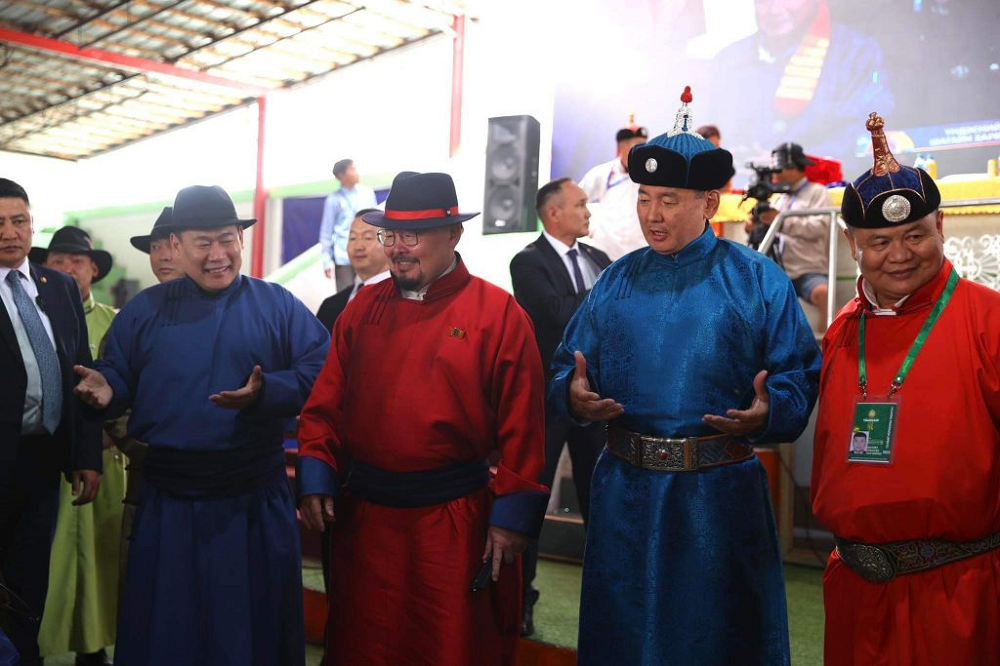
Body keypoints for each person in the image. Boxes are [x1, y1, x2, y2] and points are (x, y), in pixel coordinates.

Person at [548, 88, 821, 665]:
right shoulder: (617, 279)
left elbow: (797, 372)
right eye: (645, 198)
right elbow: (566, 363)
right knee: (624, 639)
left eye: (669, 200)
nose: (652, 214)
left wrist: (771, 409)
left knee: (715, 640)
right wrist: (572, 394)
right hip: (625, 494)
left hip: (717, 498)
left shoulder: (757, 279)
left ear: (709, 203)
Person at [297, 172, 548, 666]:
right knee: (361, 646)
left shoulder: (498, 314)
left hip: (452, 525)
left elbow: (524, 426)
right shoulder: (361, 309)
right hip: (365, 523)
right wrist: (316, 475)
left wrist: (511, 519)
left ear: (453, 234)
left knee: (446, 647)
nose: (397, 248)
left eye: (411, 235)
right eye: (390, 234)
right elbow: (325, 405)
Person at [73, 184, 330, 666]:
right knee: (170, 632)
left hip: (253, 500)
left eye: (227, 240)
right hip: (169, 501)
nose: (218, 255)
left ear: (241, 239)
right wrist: (106, 389)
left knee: (252, 632)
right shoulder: (144, 311)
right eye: (203, 242)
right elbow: (118, 372)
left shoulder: (277, 305)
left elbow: (323, 371)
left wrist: (266, 392)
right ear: (175, 245)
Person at [811, 112, 1000, 666]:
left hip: (959, 595)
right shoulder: (843, 328)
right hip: (855, 593)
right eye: (880, 241)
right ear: (852, 244)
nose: (899, 254)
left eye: (915, 235)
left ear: (940, 226)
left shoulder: (988, 321)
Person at [0, 178, 102, 666]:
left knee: (29, 580)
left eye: (18, 221)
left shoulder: (58, 287)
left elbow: (83, 373)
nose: (9, 232)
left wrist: (86, 455)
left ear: (31, 224)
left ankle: (24, 657)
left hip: (43, 462)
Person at [509, 178, 611, 636]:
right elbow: (555, 313)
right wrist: (606, 293)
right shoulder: (528, 261)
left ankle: (609, 601)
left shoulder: (599, 259)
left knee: (601, 505)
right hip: (546, 401)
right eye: (581, 204)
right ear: (553, 213)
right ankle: (520, 600)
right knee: (532, 500)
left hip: (596, 402)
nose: (588, 212)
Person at [30, 227, 123, 666]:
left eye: (77, 262)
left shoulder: (116, 321)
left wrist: (112, 434)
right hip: (46, 464)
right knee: (44, 560)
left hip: (105, 461)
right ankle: (34, 643)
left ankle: (94, 647)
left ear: (93, 270)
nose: (67, 269)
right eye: (58, 262)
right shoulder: (31, 316)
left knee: (102, 560)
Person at [707, 0, 894, 169]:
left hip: (822, 183)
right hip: (743, 182)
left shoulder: (854, 53)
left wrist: (790, 161)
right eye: (764, 1)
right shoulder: (729, 60)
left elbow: (864, 135)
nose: (774, 10)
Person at [751, 142, 833, 324]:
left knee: (824, 294)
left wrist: (781, 221)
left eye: (778, 170)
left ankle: (826, 340)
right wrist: (754, 227)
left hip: (808, 270)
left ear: (794, 168)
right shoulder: (778, 198)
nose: (774, 175)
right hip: (777, 270)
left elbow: (820, 228)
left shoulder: (818, 192)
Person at [578, 116, 648, 260]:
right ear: (623, 146)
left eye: (644, 146)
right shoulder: (602, 173)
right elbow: (575, 200)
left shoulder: (650, 176)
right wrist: (592, 227)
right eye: (638, 146)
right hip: (606, 254)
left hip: (641, 254)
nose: (643, 151)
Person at [315, 208, 391, 332]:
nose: (358, 246)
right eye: (352, 238)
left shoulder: (408, 300)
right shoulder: (330, 306)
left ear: (390, 242)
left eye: (367, 238)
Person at [319, 159, 378, 291]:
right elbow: (326, 232)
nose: (357, 172)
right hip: (343, 257)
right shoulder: (333, 200)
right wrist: (326, 261)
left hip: (368, 253)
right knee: (345, 297)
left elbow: (376, 224)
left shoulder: (367, 193)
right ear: (342, 175)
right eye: (353, 169)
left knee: (370, 293)